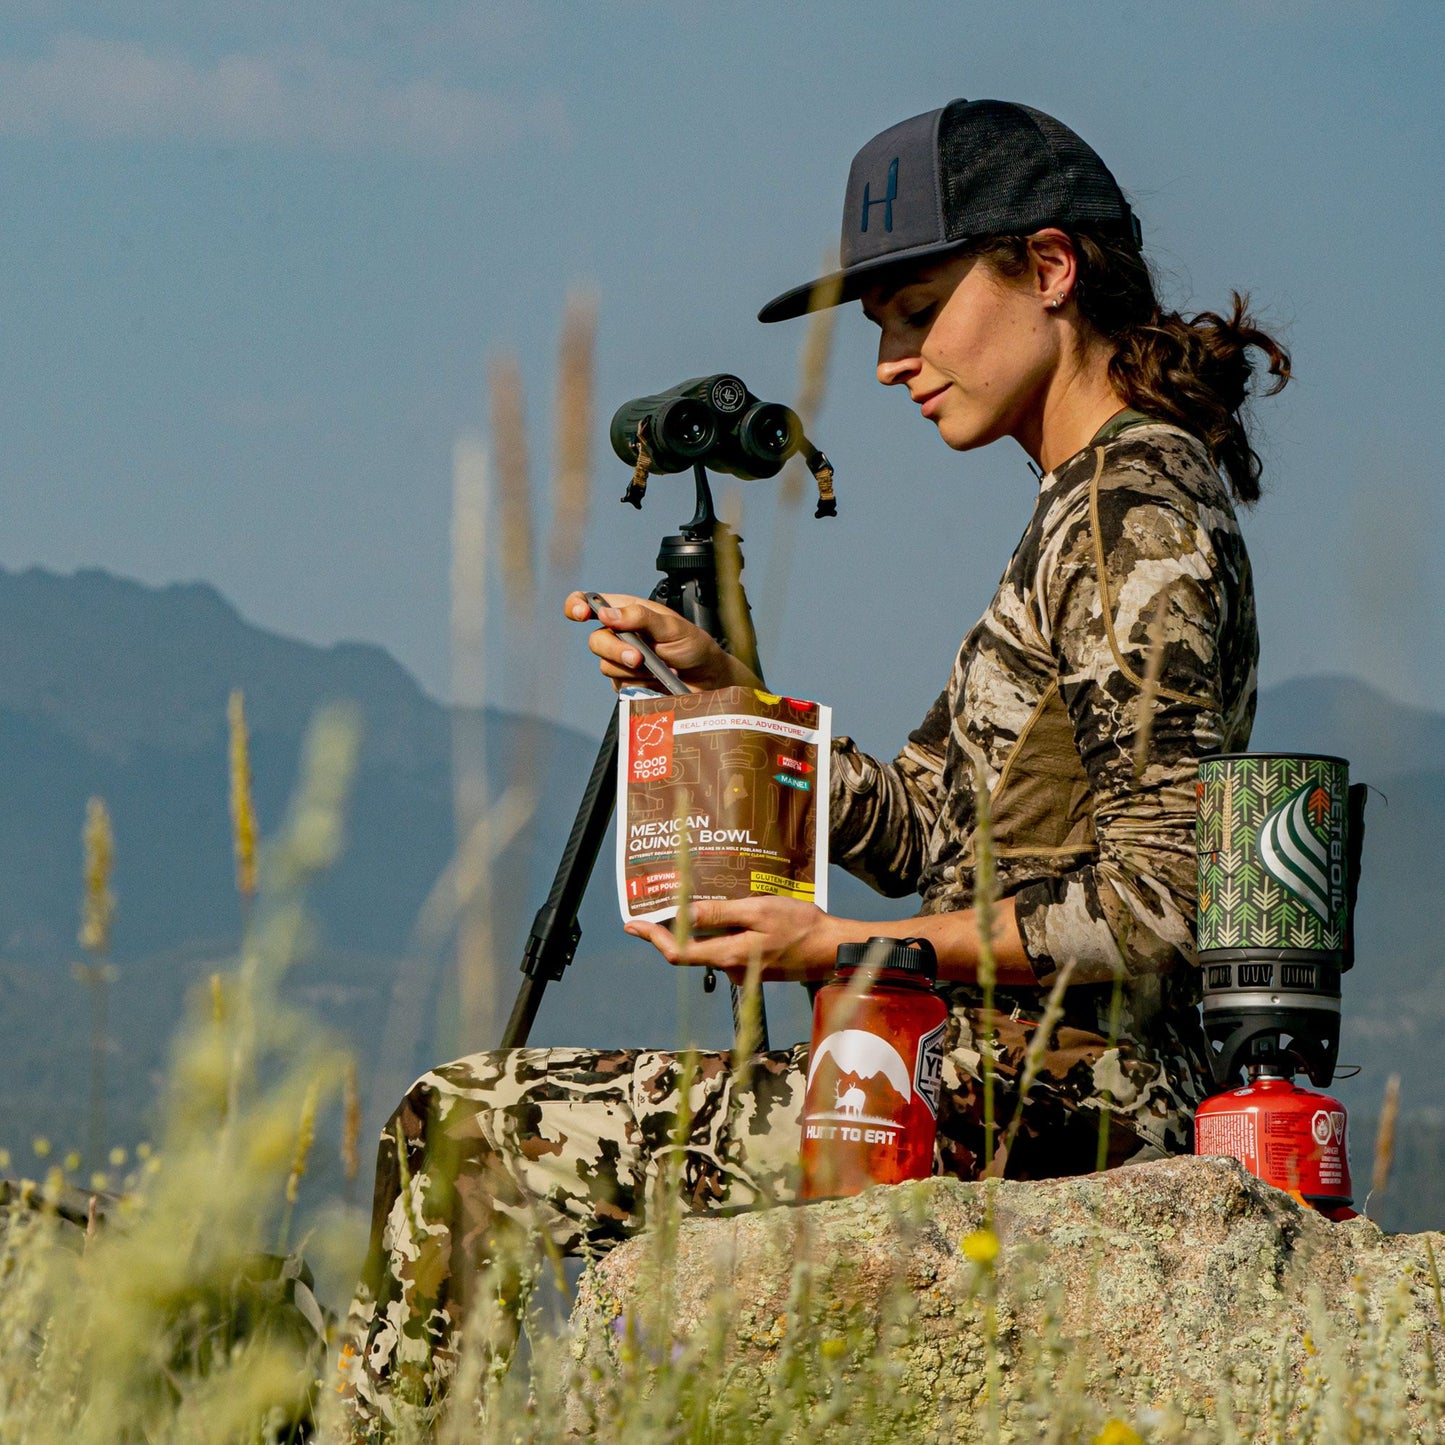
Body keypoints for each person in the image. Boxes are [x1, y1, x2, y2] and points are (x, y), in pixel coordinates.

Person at [343, 98, 1289, 1429]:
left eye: (916, 309)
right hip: (985, 1076)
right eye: (882, 330)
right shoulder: (1080, 505)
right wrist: (732, 703)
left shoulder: (1134, 511)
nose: (895, 360)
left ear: (1050, 270)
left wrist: (849, 950)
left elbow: (1161, 905)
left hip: (1055, 1102)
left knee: (459, 1133)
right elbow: (916, 823)